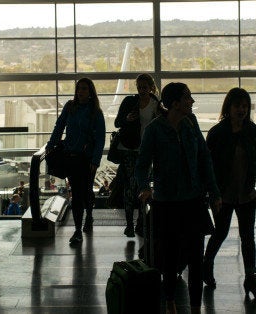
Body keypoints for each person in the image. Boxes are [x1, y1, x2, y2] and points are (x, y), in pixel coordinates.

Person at [135, 82, 221, 314]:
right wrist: (144, 187)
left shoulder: (191, 125)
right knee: (170, 259)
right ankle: (171, 302)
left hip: (193, 200)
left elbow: (204, 159)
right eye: (187, 98)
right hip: (167, 202)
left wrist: (213, 192)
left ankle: (194, 308)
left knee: (195, 258)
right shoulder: (155, 130)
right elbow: (142, 164)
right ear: (175, 103)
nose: (191, 102)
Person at [202, 87, 256, 303]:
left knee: (248, 238)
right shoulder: (218, 133)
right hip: (224, 195)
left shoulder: (252, 131)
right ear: (228, 107)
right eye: (237, 106)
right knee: (220, 233)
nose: (241, 110)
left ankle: (251, 279)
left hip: (246, 195)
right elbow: (205, 163)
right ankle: (207, 264)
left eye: (244, 106)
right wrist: (210, 193)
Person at [47, 78, 106, 243]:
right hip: (71, 157)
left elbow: (100, 138)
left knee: (85, 191)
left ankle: (89, 216)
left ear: (90, 92)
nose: (81, 92)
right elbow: (59, 126)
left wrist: (95, 160)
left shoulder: (95, 111)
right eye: (79, 88)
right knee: (77, 194)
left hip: (86, 160)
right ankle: (78, 230)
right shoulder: (70, 107)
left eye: (85, 89)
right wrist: (51, 145)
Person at [115, 73, 163, 237]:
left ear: (151, 88)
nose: (142, 90)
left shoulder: (156, 104)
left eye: (145, 87)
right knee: (130, 187)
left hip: (146, 149)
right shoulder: (130, 102)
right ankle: (130, 224)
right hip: (130, 149)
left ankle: (140, 223)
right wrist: (127, 119)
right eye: (140, 87)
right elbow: (117, 122)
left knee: (142, 187)